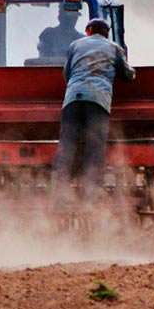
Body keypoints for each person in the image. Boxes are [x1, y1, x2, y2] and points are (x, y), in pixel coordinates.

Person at [51, 17, 136, 200]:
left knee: (66, 145)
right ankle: (91, 192)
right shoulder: (114, 48)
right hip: (98, 101)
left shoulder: (75, 45)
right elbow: (127, 74)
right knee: (95, 147)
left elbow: (66, 73)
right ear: (106, 33)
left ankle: (59, 191)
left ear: (88, 30)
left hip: (72, 100)